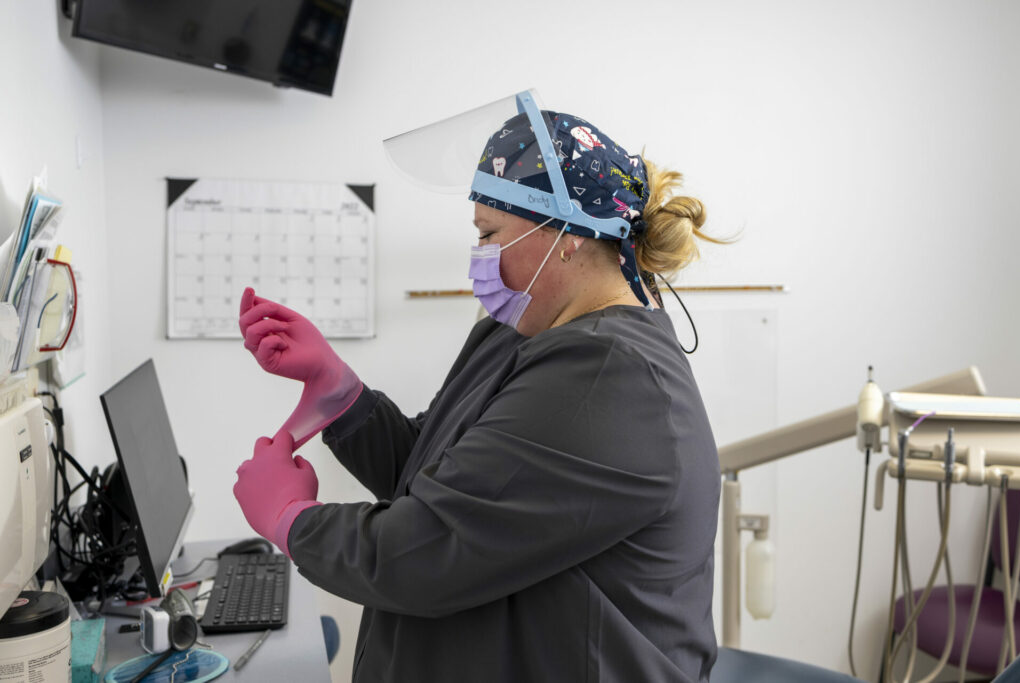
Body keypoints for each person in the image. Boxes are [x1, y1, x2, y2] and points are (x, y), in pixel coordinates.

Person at [233, 91, 722, 682]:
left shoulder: (608, 378)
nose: (479, 260)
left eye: (490, 235)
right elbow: (442, 477)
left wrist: (292, 518)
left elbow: (424, 552)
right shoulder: (523, 329)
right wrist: (340, 393)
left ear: (567, 232)